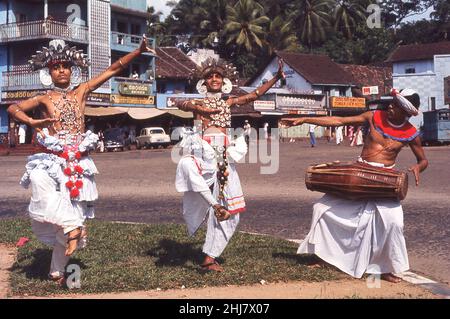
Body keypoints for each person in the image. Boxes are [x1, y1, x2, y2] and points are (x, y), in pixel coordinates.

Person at [7, 36, 155, 284]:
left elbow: (114, 68)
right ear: (49, 72)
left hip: (78, 161)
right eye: (56, 67)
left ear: (72, 70)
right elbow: (13, 108)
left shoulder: (81, 91)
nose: (62, 70)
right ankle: (70, 228)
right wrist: (32, 121)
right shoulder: (44, 98)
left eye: (66, 66)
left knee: (74, 216)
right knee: (39, 181)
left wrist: (138, 52)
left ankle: (57, 272)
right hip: (54, 159)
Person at [284, 88, 428, 283]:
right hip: (359, 173)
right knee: (322, 210)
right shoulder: (374, 116)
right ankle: (324, 257)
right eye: (393, 102)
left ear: (407, 111)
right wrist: (305, 119)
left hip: (384, 181)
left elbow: (423, 160)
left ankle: (384, 268)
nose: (391, 106)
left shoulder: (411, 133)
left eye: (397, 105)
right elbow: (340, 121)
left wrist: (419, 167)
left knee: (393, 223)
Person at [175, 57, 285, 272]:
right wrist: (200, 110)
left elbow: (255, 95)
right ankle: (211, 205)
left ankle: (209, 256)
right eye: (210, 77)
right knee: (191, 173)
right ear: (203, 82)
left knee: (232, 209)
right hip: (203, 155)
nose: (214, 79)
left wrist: (275, 78)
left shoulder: (229, 102)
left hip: (224, 157)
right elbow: (178, 102)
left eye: (218, 76)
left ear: (223, 81)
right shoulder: (198, 103)